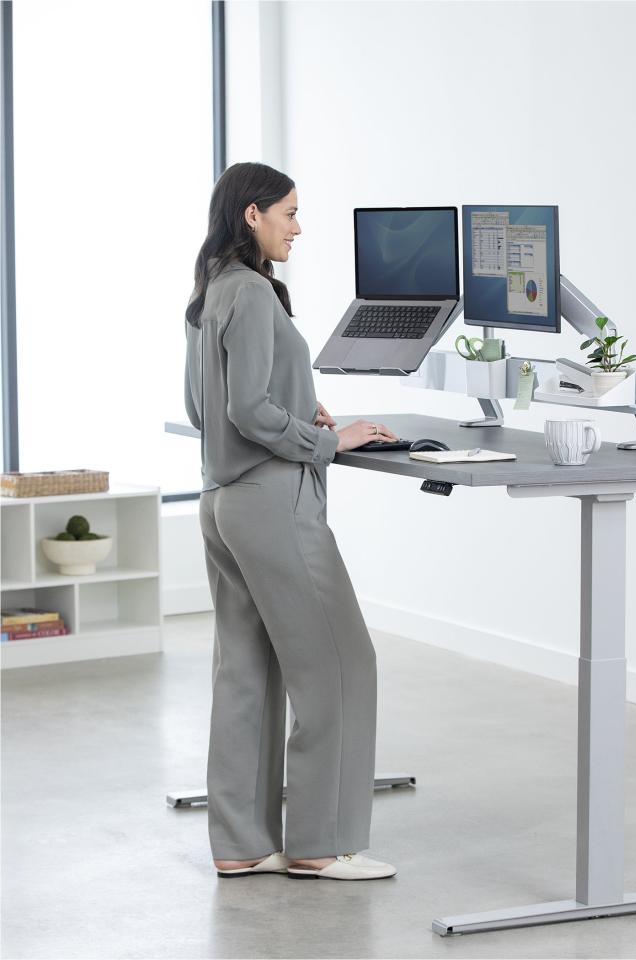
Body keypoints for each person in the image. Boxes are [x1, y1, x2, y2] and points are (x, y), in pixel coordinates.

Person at [183, 161, 399, 881]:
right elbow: (248, 410)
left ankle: (243, 843)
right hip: (272, 501)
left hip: (223, 501)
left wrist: (298, 408)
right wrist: (325, 440)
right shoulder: (249, 292)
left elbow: (209, 408)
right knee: (341, 663)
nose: (298, 228)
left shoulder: (214, 288)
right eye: (289, 213)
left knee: (247, 670)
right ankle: (320, 843)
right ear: (253, 214)